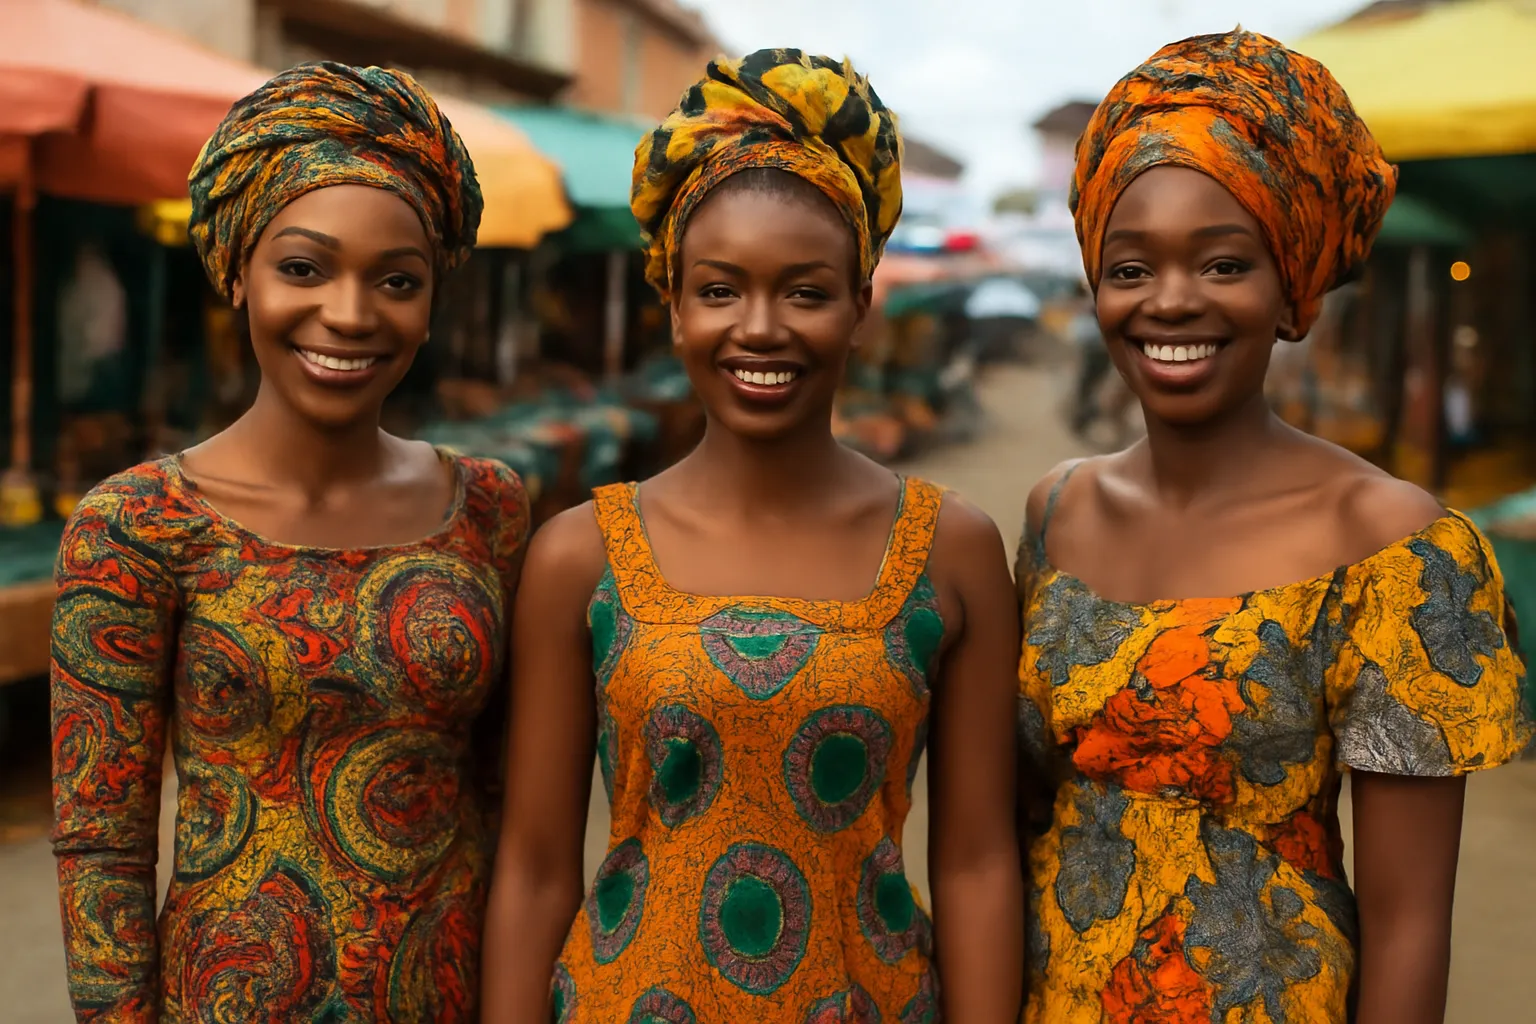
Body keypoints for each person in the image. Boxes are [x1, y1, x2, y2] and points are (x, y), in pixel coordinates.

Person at [483, 48, 1023, 1023]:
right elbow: (530, 865)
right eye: (720, 289)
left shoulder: (953, 549)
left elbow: (981, 859)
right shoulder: (580, 554)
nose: (760, 328)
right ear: (674, 305)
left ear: (862, 306)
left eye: (807, 293)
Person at [1015, 30, 1532, 1024]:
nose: (1171, 301)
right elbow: (1019, 817)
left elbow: (1413, 920)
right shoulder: (1056, 511)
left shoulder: (1394, 546)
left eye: (1222, 264)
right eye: (1131, 268)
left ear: (1290, 286)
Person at [49, 63, 528, 1022]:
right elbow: (102, 849)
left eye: (397, 280)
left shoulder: (489, 508)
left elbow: (509, 808)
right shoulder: (137, 525)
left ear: (433, 303)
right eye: (304, 268)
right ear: (237, 270)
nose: (350, 315)